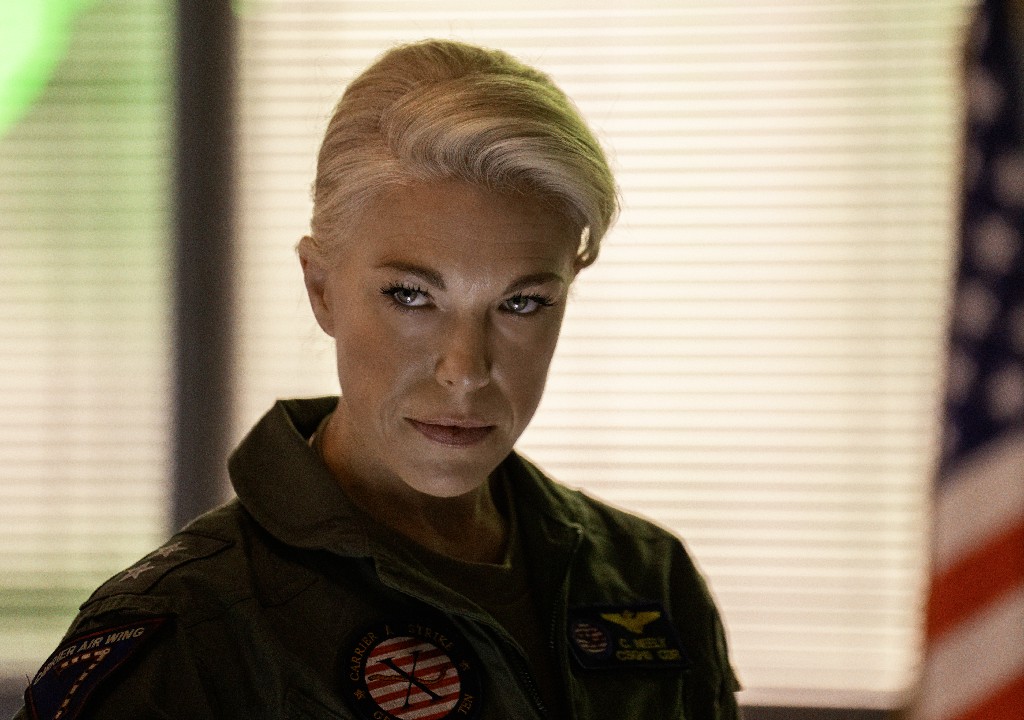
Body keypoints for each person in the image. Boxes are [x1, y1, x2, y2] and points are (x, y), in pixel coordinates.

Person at [16, 40, 740, 720]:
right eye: (412, 296)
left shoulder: (647, 581)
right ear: (321, 288)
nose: (466, 371)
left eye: (522, 303)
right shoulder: (191, 627)